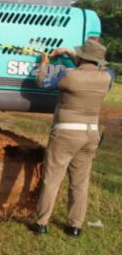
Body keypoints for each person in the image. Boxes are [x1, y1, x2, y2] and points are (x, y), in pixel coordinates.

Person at [30, 39, 115, 237]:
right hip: (91, 134)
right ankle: (75, 226)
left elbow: (42, 82)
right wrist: (69, 53)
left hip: (66, 133)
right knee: (80, 182)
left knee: (52, 179)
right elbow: (100, 67)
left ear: (82, 56)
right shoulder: (107, 78)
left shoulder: (69, 76)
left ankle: (41, 223)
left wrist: (44, 64)